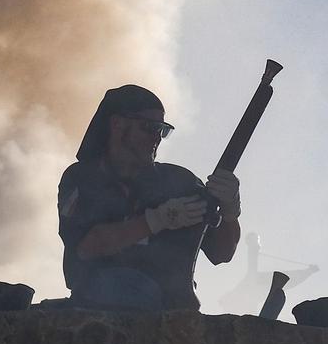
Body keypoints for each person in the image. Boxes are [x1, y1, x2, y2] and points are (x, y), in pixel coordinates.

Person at [57, 85, 241, 310]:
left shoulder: (181, 181)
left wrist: (230, 211)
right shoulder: (82, 178)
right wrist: (156, 220)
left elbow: (223, 252)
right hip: (96, 307)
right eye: (149, 127)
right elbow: (88, 246)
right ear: (118, 124)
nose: (157, 137)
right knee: (127, 285)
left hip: (172, 312)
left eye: (161, 129)